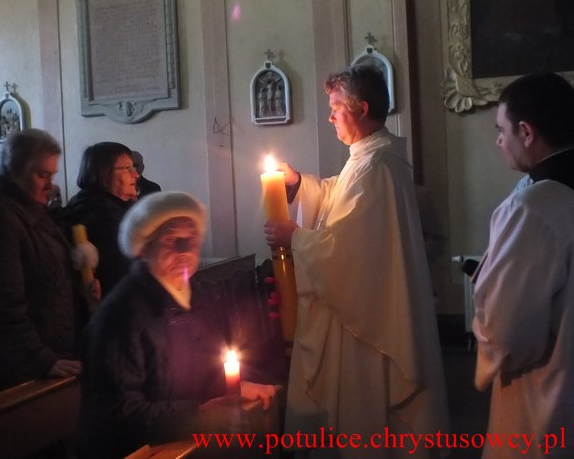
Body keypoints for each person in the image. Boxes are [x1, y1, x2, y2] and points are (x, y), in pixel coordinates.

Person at [263, 65, 449, 458]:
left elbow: (350, 252)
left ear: (361, 109)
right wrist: (299, 183)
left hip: (365, 324)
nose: (330, 117)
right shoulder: (369, 159)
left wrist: (294, 237)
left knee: (363, 411)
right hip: (364, 313)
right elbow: (337, 198)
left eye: (336, 108)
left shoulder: (377, 167)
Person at [78, 191, 277, 458]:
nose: (185, 251)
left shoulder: (194, 298)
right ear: (145, 247)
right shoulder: (122, 315)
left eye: (191, 239)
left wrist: (231, 389)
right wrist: (198, 416)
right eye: (171, 240)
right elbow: (118, 414)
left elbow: (200, 373)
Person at [0, 129, 97, 405]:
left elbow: (44, 279)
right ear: (14, 170)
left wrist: (80, 289)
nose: (50, 185)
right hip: (3, 370)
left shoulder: (32, 214)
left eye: (52, 175)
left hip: (36, 359)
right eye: (42, 175)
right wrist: (41, 359)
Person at [472, 72, 574, 458]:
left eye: (502, 130)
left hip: (548, 394)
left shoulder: (530, 208)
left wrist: (482, 327)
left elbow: (508, 333)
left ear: (527, 132)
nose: (499, 141)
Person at [63, 142, 139, 298]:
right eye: (128, 168)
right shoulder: (107, 217)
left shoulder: (84, 202)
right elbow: (121, 275)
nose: (136, 175)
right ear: (104, 174)